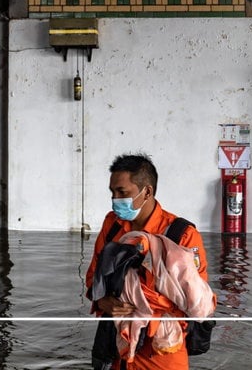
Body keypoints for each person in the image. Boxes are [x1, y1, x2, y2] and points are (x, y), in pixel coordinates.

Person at [85, 153, 213, 370]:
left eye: (122, 192)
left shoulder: (181, 235)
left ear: (147, 191)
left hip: (161, 351)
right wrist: (103, 302)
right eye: (112, 192)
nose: (115, 199)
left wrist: (143, 308)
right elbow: (93, 277)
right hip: (117, 346)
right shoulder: (112, 225)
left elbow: (198, 302)